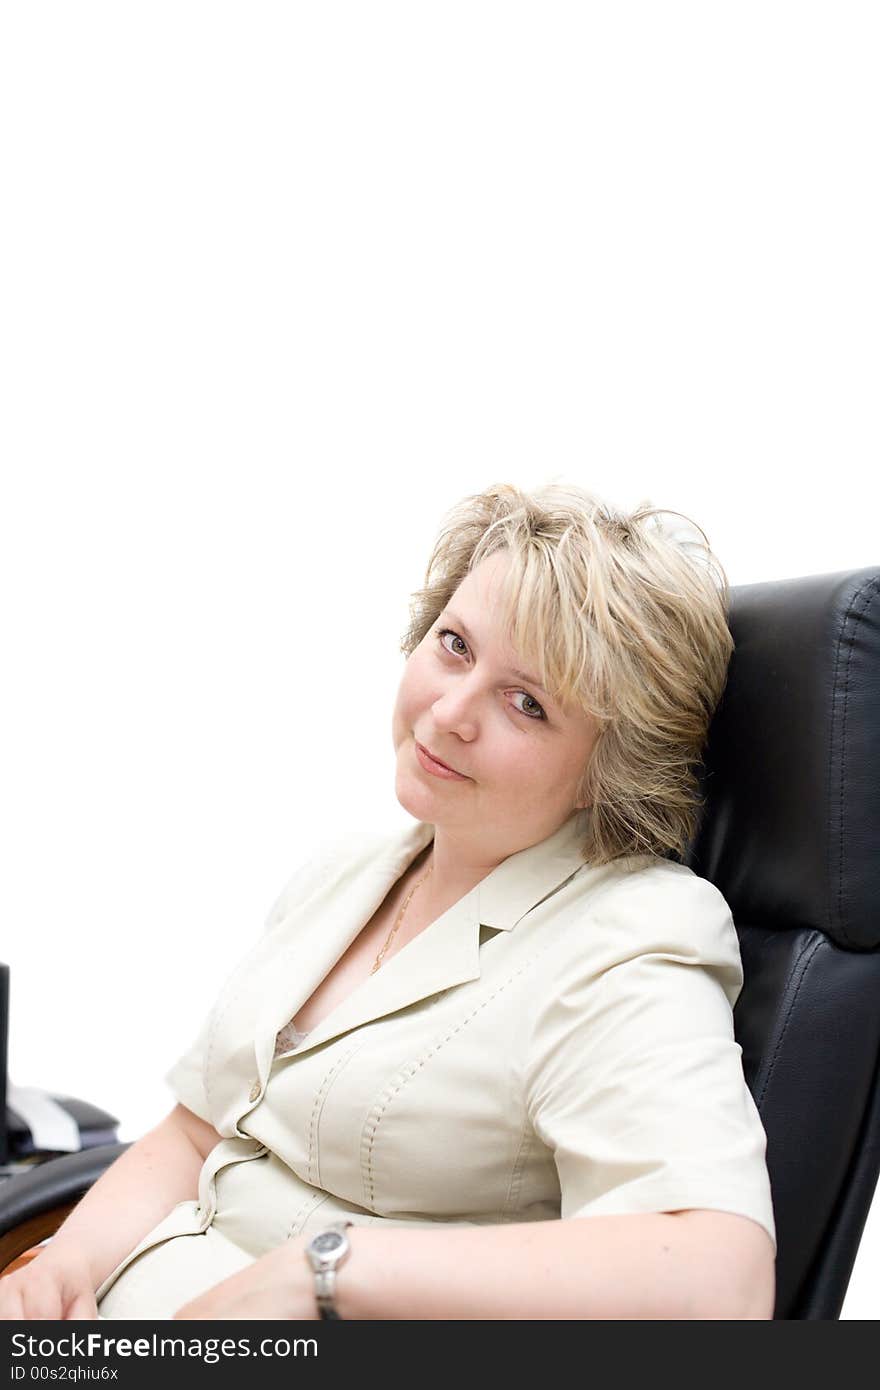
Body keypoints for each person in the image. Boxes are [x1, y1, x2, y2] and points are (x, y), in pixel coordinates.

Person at [0, 481, 777, 1320]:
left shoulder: (633, 933)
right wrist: (66, 1263)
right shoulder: (346, 874)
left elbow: (715, 1283)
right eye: (454, 645)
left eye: (527, 702)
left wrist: (324, 1268)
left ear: (609, 768)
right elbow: (197, 1135)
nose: (448, 713)